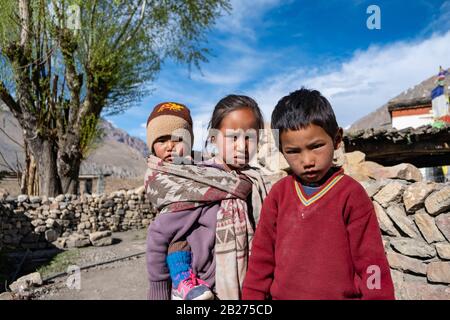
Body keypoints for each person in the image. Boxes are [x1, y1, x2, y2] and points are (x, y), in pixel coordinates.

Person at [242, 88, 395, 300]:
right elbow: (261, 259)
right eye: (293, 151)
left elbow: (371, 262)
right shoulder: (279, 195)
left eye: (316, 146)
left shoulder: (351, 195)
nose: (307, 161)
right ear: (281, 150)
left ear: (337, 139)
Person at [145, 96, 270, 300]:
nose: (242, 146)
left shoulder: (257, 182)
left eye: (250, 137)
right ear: (213, 138)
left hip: (252, 287)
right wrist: (158, 290)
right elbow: (159, 235)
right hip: (205, 292)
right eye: (233, 137)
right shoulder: (198, 183)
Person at [145, 101, 214, 300]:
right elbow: (160, 233)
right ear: (152, 146)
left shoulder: (208, 169)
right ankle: (183, 279)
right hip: (182, 263)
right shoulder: (157, 177)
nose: (169, 146)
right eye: (161, 140)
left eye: (177, 139)